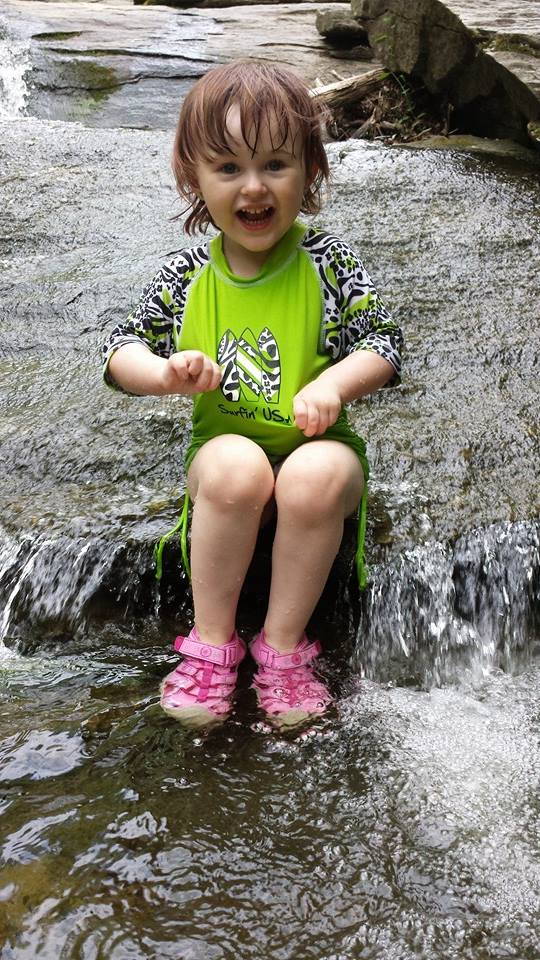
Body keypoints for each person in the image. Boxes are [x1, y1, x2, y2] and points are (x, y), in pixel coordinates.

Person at [102, 61, 402, 730]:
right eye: (229, 168)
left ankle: (284, 650)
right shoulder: (187, 273)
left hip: (319, 452)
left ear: (310, 169)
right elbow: (121, 349)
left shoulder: (327, 262)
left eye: (275, 164)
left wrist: (333, 383)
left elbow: (383, 343)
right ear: (194, 178)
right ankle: (213, 648)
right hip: (224, 457)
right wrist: (162, 374)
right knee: (237, 467)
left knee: (314, 472)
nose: (254, 187)